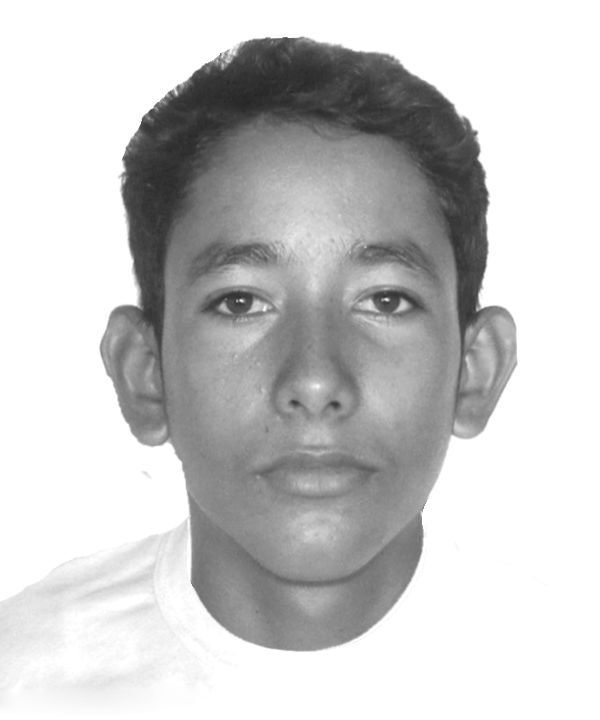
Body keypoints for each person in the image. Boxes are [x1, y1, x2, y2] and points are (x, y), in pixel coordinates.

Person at [0, 36, 531, 715]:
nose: (315, 380)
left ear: (475, 371)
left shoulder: (569, 670)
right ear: (146, 374)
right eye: (240, 302)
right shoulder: (21, 678)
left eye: (385, 300)